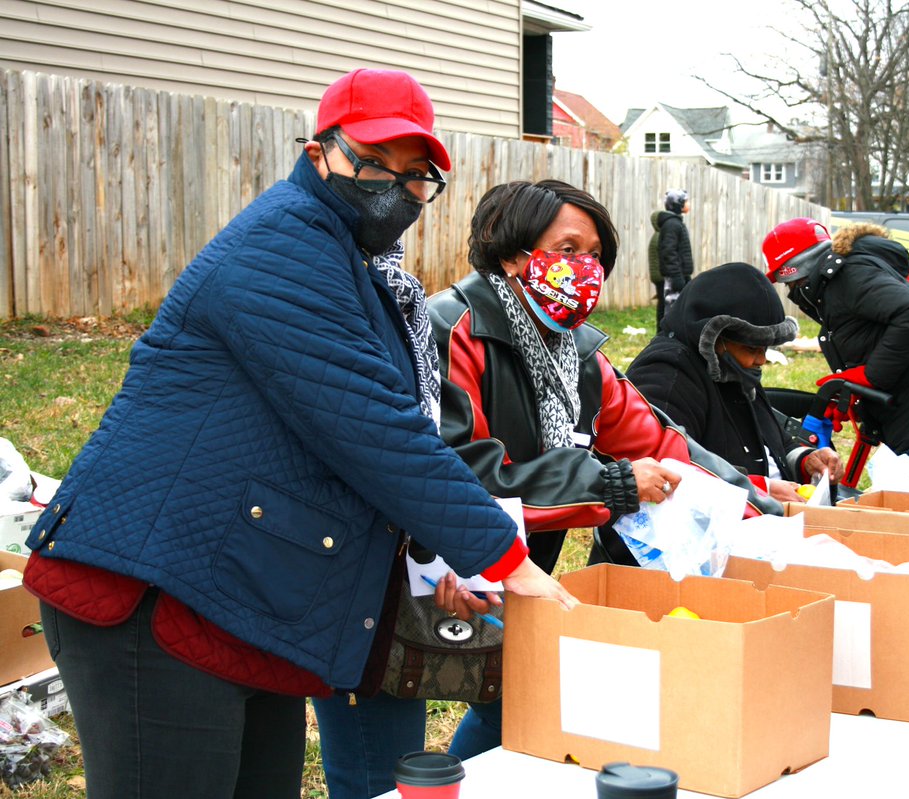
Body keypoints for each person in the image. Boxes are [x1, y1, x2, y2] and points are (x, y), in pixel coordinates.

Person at [20, 68, 573, 799]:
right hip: (153, 586)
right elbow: (370, 425)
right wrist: (508, 561)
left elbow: (368, 438)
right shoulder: (282, 246)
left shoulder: (352, 262)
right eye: (373, 162)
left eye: (415, 175)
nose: (395, 188)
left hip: (243, 595)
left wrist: (443, 560)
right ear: (318, 153)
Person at [762, 217, 909, 477]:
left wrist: (871, 377)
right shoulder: (838, 283)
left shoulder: (850, 275)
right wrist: (854, 396)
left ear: (795, 270)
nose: (789, 289)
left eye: (788, 282)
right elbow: (872, 338)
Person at [626, 261, 843, 502]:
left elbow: (775, 442)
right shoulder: (667, 376)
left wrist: (804, 460)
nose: (761, 359)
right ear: (714, 338)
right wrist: (759, 490)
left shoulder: (731, 367)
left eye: (765, 349)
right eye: (751, 348)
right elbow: (665, 473)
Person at [656, 188, 694, 329]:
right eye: (686, 201)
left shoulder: (676, 223)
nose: (688, 204)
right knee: (671, 311)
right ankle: (667, 335)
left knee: (680, 309)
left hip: (681, 275)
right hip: (674, 278)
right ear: (678, 204)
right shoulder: (672, 225)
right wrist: (676, 277)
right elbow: (668, 253)